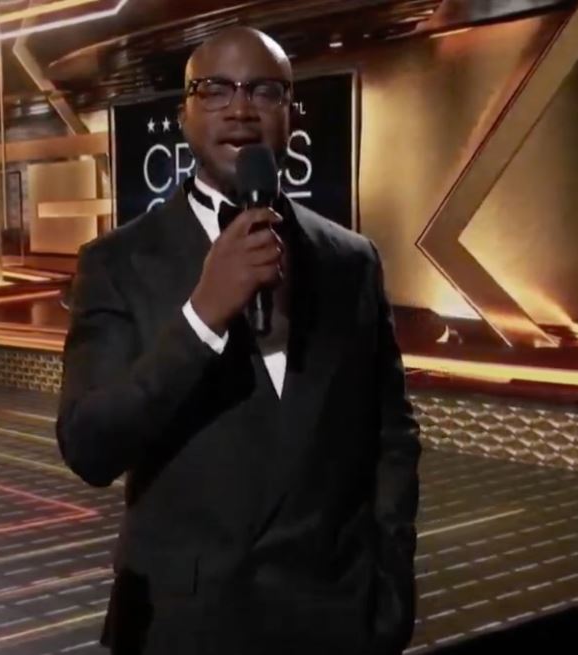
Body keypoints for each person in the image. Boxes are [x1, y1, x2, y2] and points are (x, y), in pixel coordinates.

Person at [56, 26, 421, 655]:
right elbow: (90, 447)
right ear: (184, 113)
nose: (241, 108)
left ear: (290, 114)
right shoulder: (116, 263)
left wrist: (390, 588)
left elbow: (391, 434)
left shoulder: (352, 260)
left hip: (333, 618)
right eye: (216, 89)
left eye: (264, 91)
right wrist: (202, 317)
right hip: (184, 625)